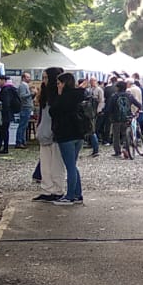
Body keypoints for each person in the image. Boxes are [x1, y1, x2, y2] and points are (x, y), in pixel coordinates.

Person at [48, 72, 86, 204]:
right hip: (79, 133)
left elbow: (53, 111)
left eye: (59, 83)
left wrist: (58, 95)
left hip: (66, 134)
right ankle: (77, 194)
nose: (57, 86)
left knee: (70, 166)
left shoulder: (64, 97)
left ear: (64, 83)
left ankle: (70, 196)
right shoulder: (79, 95)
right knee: (73, 165)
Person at [33, 67, 67, 202]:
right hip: (44, 132)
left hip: (56, 133)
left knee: (56, 164)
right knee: (45, 164)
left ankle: (58, 190)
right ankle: (47, 189)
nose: (44, 81)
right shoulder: (44, 94)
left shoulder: (59, 95)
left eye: (46, 78)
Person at [110, 82, 140, 160]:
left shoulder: (114, 96)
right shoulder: (129, 96)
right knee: (125, 135)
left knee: (116, 135)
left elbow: (109, 108)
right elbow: (139, 105)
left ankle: (117, 151)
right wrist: (137, 111)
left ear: (117, 88)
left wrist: (109, 115)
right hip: (127, 118)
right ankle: (125, 149)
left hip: (116, 118)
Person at [0, 75, 21, 154]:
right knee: (2, 130)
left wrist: (3, 109)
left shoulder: (6, 90)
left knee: (4, 130)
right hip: (9, 112)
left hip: (6, 113)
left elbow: (6, 102)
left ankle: (5, 148)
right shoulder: (10, 88)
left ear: (4, 80)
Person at [15, 72, 34, 148]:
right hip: (25, 107)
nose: (29, 78)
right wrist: (31, 94)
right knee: (22, 125)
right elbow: (22, 96)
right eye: (27, 77)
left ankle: (22, 141)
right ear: (23, 78)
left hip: (27, 107)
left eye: (29, 77)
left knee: (24, 125)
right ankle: (19, 142)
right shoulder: (23, 86)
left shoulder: (25, 85)